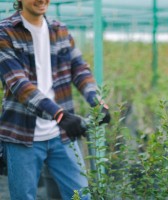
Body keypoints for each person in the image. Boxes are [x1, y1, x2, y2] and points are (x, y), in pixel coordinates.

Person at [0, 0, 111, 199]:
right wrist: (59, 115)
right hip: (21, 135)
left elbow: (79, 68)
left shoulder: (59, 30)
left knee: (81, 195)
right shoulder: (5, 32)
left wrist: (96, 100)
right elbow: (19, 85)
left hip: (61, 135)